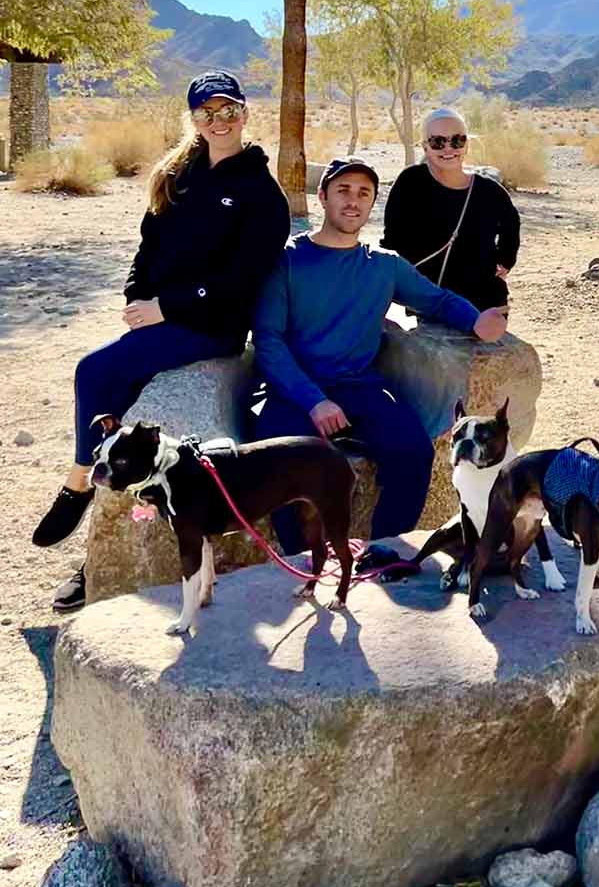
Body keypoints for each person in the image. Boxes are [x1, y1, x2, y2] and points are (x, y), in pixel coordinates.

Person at [32, 71, 291, 611]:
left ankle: (79, 484)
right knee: (119, 401)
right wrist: (137, 299)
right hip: (161, 319)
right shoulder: (178, 174)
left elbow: (241, 280)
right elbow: (147, 248)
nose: (219, 121)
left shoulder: (262, 193)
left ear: (245, 113)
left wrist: (166, 308)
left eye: (229, 110)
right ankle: (96, 561)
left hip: (211, 328)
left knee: (93, 370)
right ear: (193, 119)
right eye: (206, 113)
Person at [252, 156, 508, 558]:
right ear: (323, 196)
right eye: (343, 191)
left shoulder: (383, 265)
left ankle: (382, 552)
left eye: (363, 193)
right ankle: (306, 561)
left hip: (359, 385)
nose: (353, 201)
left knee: (413, 452)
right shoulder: (286, 261)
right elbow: (268, 341)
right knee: (278, 458)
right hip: (295, 390)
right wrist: (314, 401)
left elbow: (437, 300)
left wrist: (477, 321)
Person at [382, 108, 519, 313]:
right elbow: (392, 239)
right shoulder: (411, 182)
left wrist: (506, 260)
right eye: (438, 142)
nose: (448, 149)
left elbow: (512, 224)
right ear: (425, 146)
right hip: (430, 300)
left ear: (466, 145)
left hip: (482, 300)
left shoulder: (489, 191)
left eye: (457, 141)